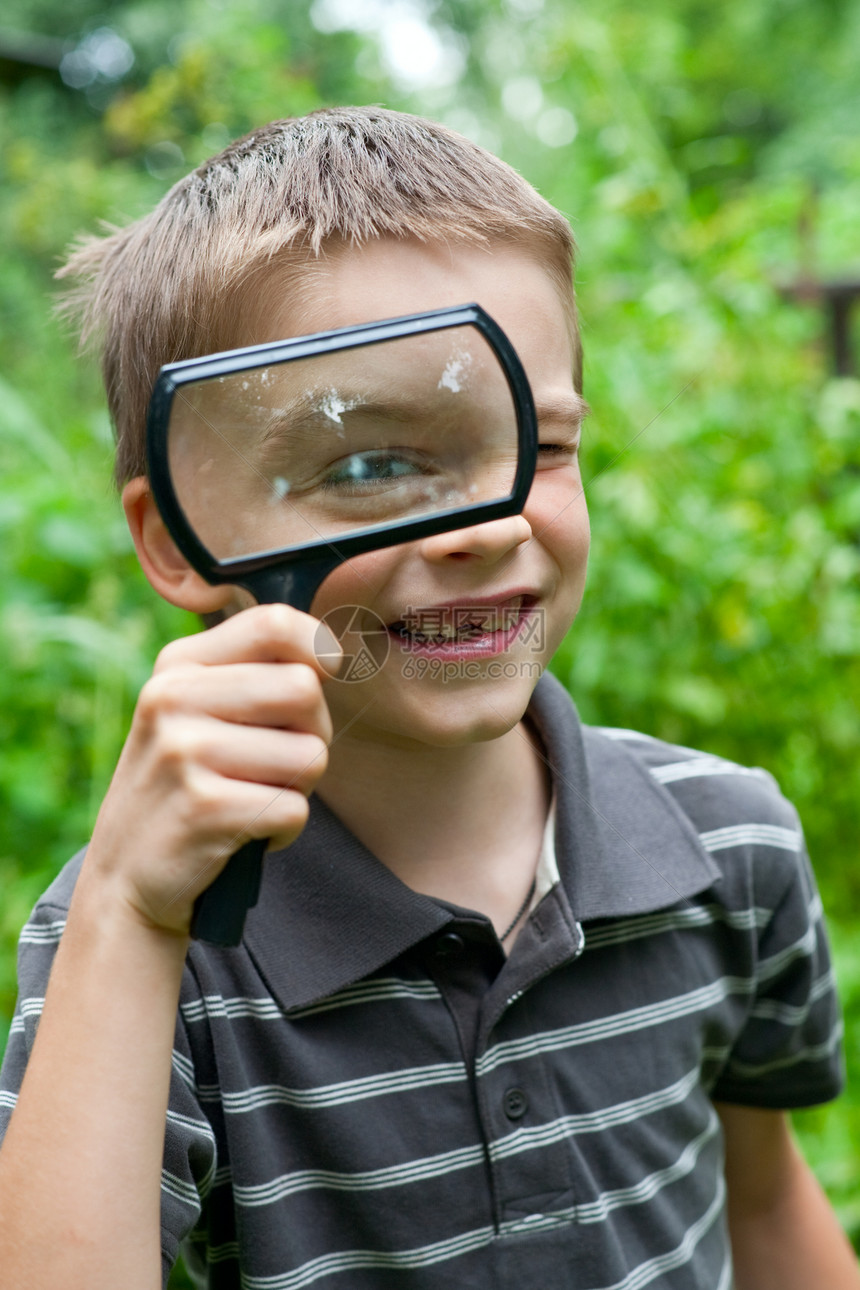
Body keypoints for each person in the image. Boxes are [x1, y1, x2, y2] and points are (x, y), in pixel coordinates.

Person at [0, 107, 855, 1290]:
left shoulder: (728, 843)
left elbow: (762, 1204)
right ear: (184, 531)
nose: (489, 527)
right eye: (369, 465)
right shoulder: (150, 934)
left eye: (538, 448)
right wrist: (132, 923)